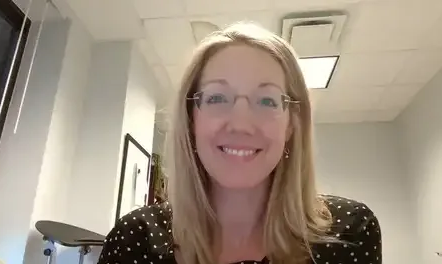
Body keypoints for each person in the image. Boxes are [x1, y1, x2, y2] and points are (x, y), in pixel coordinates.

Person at [97, 22, 382, 264]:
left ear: (292, 124)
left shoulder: (349, 232)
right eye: (218, 98)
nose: (241, 124)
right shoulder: (136, 238)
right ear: (191, 118)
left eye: (266, 101)